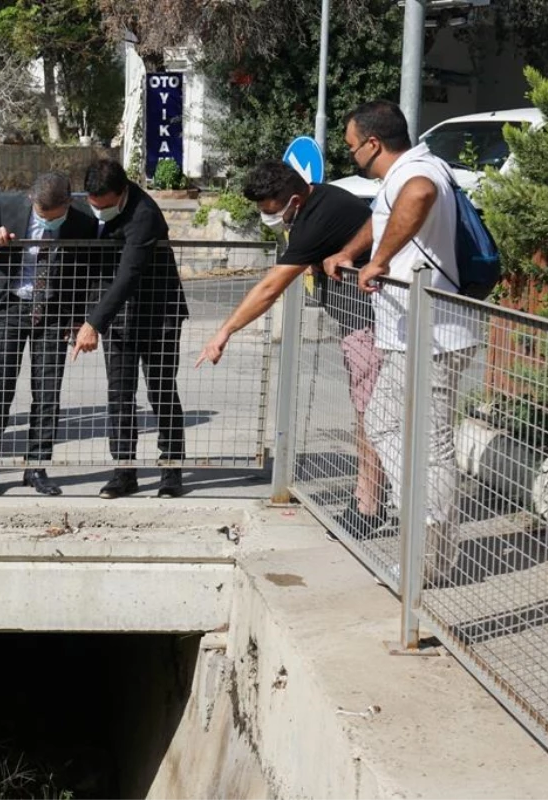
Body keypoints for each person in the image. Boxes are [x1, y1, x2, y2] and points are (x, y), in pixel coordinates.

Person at [325, 99, 476, 581]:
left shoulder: (418, 171)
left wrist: (381, 260)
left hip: (430, 338)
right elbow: (385, 211)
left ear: (373, 144)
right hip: (414, 338)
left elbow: (417, 197)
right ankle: (422, 527)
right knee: (387, 425)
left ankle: (426, 560)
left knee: (429, 449)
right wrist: (352, 249)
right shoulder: (400, 175)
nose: (351, 157)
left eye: (352, 148)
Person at [196, 160, 387, 532]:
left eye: (270, 210)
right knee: (372, 412)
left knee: (371, 415)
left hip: (369, 325)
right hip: (361, 323)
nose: (268, 218)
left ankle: (368, 506)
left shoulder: (315, 218)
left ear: (294, 199)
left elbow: (270, 288)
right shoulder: (321, 201)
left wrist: (224, 332)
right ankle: (377, 498)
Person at [0, 173, 99, 497]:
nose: (48, 221)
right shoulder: (8, 203)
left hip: (53, 309)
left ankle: (37, 465)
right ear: (31, 200)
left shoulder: (83, 219)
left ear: (68, 203)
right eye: (42, 216)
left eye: (54, 217)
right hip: (10, 303)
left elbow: (87, 272)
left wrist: (81, 318)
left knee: (48, 389)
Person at [72, 159, 189, 499]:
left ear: (122, 193)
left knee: (161, 391)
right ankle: (124, 470)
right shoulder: (89, 205)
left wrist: (94, 322)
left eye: (106, 206)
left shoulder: (144, 214)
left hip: (159, 316)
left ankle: (171, 468)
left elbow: (129, 274)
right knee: (119, 394)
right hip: (120, 317)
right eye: (95, 205)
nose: (99, 212)